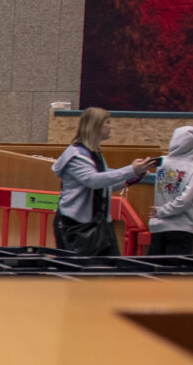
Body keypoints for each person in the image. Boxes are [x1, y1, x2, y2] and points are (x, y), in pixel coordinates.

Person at [51, 106, 157, 256]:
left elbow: (105, 186)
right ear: (95, 125)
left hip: (99, 224)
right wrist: (130, 170)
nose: (110, 126)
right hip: (76, 227)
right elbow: (93, 181)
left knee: (109, 270)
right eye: (107, 122)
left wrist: (133, 177)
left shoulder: (95, 153)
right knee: (81, 273)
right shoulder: (76, 155)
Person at [149, 123, 193, 256]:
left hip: (158, 226)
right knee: (175, 274)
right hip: (181, 228)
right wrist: (162, 211)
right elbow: (184, 200)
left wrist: (160, 212)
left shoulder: (161, 162)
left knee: (154, 273)